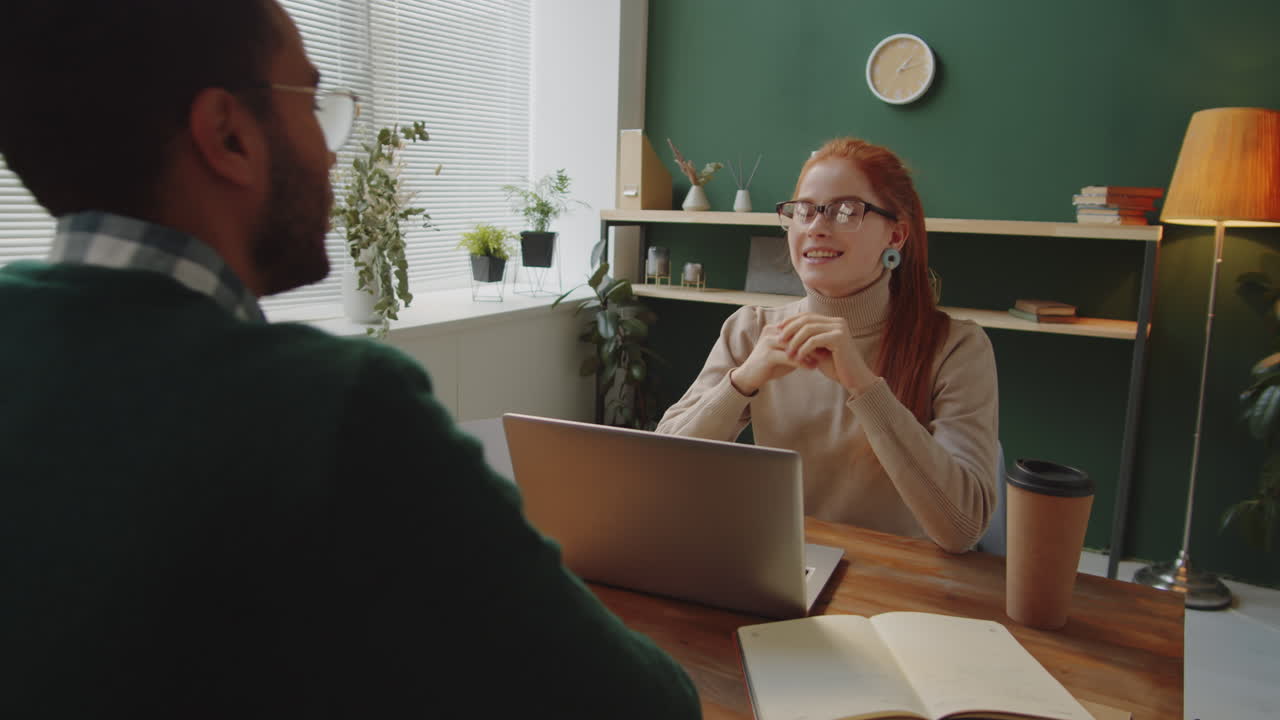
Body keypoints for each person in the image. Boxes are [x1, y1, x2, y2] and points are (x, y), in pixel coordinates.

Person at [0, 2, 700, 717]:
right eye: (313, 100)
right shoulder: (332, 408)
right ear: (228, 136)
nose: (335, 151)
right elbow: (638, 704)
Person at [657, 138, 999, 553]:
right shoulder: (751, 329)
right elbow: (664, 465)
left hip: (899, 580)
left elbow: (963, 529)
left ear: (896, 234)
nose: (816, 225)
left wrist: (864, 387)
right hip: (784, 565)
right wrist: (743, 382)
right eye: (804, 210)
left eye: (845, 211)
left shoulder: (957, 347)